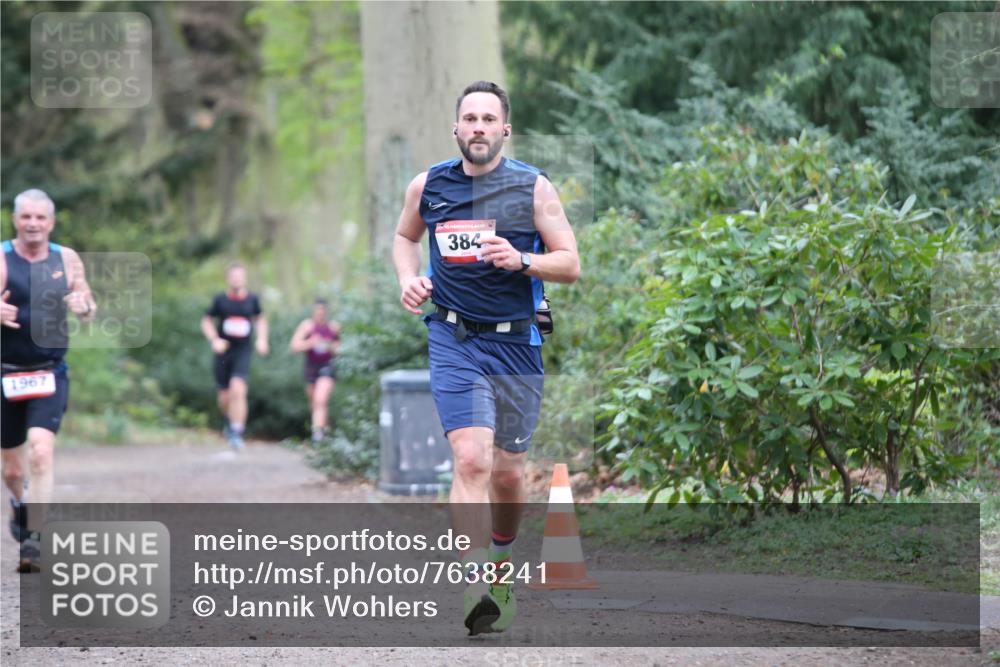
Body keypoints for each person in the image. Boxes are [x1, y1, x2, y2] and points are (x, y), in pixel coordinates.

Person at [392, 81, 580, 635]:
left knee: (507, 472)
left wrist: (523, 260)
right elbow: (405, 238)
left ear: (505, 130)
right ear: (457, 128)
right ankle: (474, 581)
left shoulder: (533, 188)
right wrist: (409, 279)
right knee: (472, 460)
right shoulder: (429, 186)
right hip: (454, 338)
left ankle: (500, 560)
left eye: (487, 118)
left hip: (517, 343)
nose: (477, 126)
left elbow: (569, 263)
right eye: (468, 118)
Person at [1, 188, 97, 572]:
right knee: (13, 470)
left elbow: (88, 304)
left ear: (51, 222)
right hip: (5, 373)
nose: (34, 224)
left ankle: (35, 539)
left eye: (41, 218)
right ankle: (20, 503)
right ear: (16, 220)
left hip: (48, 372)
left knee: (41, 451)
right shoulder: (3, 257)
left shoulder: (66, 258)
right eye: (27, 217)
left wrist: (83, 305)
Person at [201, 262, 268, 451]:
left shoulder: (252, 300)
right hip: (224, 352)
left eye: (240, 276)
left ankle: (237, 432)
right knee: (224, 397)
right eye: (233, 276)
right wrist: (214, 339)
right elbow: (206, 321)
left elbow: (260, 319)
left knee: (238, 389)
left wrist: (262, 339)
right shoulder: (220, 300)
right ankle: (230, 422)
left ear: (244, 278)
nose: (237, 279)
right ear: (228, 279)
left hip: (243, 351)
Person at [288, 298, 341, 443]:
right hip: (311, 367)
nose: (320, 315)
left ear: (326, 312)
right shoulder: (307, 326)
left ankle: (317, 437)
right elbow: (294, 346)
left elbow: (341, 348)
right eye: (317, 312)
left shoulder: (333, 327)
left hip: (328, 366)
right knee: (315, 404)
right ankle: (325, 432)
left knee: (320, 399)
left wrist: (330, 346)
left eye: (323, 312)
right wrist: (311, 343)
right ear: (314, 312)